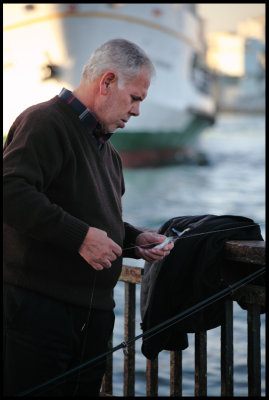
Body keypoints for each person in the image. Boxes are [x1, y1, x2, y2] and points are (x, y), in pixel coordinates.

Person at [3, 38, 174, 396]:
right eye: (135, 98)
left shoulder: (108, 152)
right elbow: (10, 192)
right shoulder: (44, 121)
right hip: (38, 315)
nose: (138, 111)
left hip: (90, 317)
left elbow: (88, 216)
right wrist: (79, 237)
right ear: (107, 82)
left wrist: (133, 239)